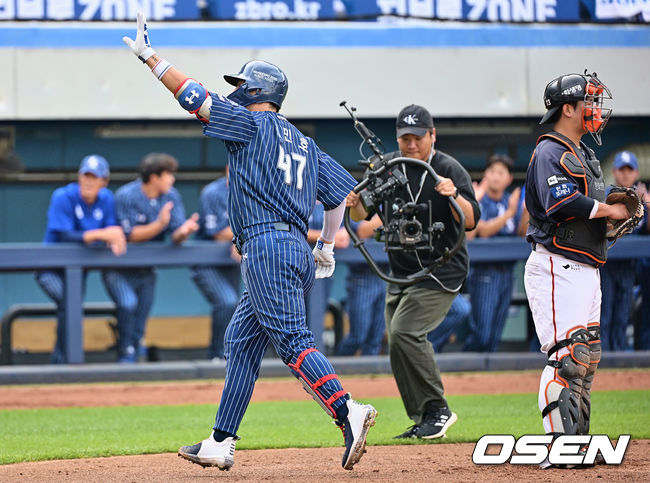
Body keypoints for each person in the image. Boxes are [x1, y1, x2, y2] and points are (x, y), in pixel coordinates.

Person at [122, 13, 376, 472]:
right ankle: (221, 441)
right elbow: (343, 197)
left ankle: (347, 411)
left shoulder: (249, 123)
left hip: (266, 245)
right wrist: (329, 247)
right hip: (296, 247)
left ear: (258, 90)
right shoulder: (303, 141)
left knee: (293, 340)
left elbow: (193, 97)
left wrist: (149, 58)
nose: (237, 88)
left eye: (243, 83)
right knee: (241, 340)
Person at [348, 104, 480, 439]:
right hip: (402, 271)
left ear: (432, 135)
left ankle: (438, 409)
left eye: (418, 138)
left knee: (406, 331)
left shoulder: (448, 168)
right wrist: (354, 201)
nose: (411, 145)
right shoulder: (387, 166)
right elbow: (360, 216)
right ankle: (424, 416)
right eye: (405, 138)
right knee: (396, 341)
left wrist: (453, 196)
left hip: (441, 270)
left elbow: (471, 220)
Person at [523, 72, 628, 467]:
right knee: (568, 357)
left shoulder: (582, 152)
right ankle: (558, 449)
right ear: (568, 108)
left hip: (585, 267)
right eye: (588, 102)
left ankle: (577, 444)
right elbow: (560, 201)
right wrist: (609, 210)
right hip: (556, 265)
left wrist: (610, 222)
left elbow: (585, 214)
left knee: (586, 358)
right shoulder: (550, 149)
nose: (595, 109)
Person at [103, 152, 199, 363]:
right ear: (154, 177)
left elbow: (175, 233)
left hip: (147, 269)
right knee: (127, 304)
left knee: (141, 316)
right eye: (168, 175)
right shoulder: (127, 194)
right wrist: (159, 224)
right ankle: (125, 355)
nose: (172, 179)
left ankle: (135, 356)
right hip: (119, 268)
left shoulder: (171, 195)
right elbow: (129, 235)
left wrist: (185, 231)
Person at [36, 155, 126, 363]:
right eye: (86, 175)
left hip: (79, 270)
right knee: (69, 303)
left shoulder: (106, 199)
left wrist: (114, 236)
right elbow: (64, 235)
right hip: (49, 268)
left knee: (69, 307)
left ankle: (61, 360)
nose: (89, 181)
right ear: (79, 176)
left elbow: (112, 230)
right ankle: (63, 360)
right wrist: (100, 234)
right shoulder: (63, 196)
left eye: (95, 177)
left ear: (104, 181)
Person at [464, 154, 527, 352]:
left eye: (501, 173)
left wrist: (525, 210)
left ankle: (484, 380)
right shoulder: (479, 199)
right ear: (485, 174)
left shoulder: (511, 200)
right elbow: (481, 230)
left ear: (509, 178)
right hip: (484, 273)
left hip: (507, 272)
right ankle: (466, 367)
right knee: (482, 333)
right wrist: (509, 213)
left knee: (495, 334)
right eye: (492, 171)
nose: (496, 177)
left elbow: (521, 233)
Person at [191, 167, 240, 360]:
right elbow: (218, 233)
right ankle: (218, 355)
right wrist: (244, 234)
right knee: (227, 301)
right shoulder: (213, 192)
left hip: (232, 262)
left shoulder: (253, 190)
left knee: (236, 308)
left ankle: (227, 355)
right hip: (207, 261)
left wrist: (243, 236)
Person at [600, 151, 646, 351]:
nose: (626, 174)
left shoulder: (643, 198)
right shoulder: (608, 194)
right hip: (607, 264)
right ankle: (602, 359)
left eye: (629, 170)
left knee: (622, 314)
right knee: (605, 314)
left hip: (629, 266)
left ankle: (617, 356)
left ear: (636, 172)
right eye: (622, 169)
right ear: (614, 171)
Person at [337, 215, 388, 356]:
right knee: (357, 337)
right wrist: (390, 213)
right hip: (361, 277)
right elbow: (362, 231)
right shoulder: (354, 201)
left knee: (375, 339)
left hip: (385, 275)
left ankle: (370, 375)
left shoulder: (384, 203)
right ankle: (334, 369)